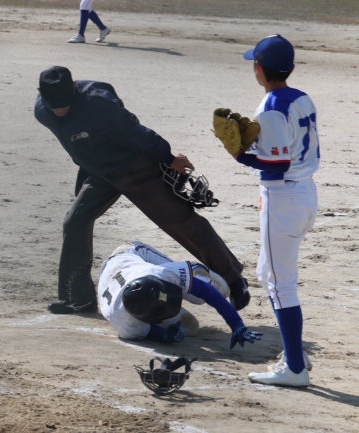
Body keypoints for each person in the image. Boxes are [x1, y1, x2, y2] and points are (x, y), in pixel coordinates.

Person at [34, 66, 250, 315]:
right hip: (99, 173)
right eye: (55, 105)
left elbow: (135, 130)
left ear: (74, 87)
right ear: (40, 93)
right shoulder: (41, 112)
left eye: (65, 103)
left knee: (181, 221)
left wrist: (168, 157)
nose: (60, 110)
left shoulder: (100, 103)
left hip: (136, 168)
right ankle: (77, 298)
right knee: (74, 223)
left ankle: (234, 280)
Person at [227, 35, 320, 387]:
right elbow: (287, 153)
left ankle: (294, 368)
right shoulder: (301, 98)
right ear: (291, 68)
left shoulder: (270, 108)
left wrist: (240, 156)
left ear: (259, 68)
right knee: (268, 273)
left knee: (280, 285)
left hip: (284, 200)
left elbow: (277, 165)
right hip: (304, 194)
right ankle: (296, 353)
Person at [98, 241, 262, 348]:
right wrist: (166, 336)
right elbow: (147, 332)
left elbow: (206, 290)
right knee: (190, 328)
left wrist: (236, 324)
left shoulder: (160, 273)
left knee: (203, 284)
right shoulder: (126, 325)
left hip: (128, 254)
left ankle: (232, 281)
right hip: (114, 276)